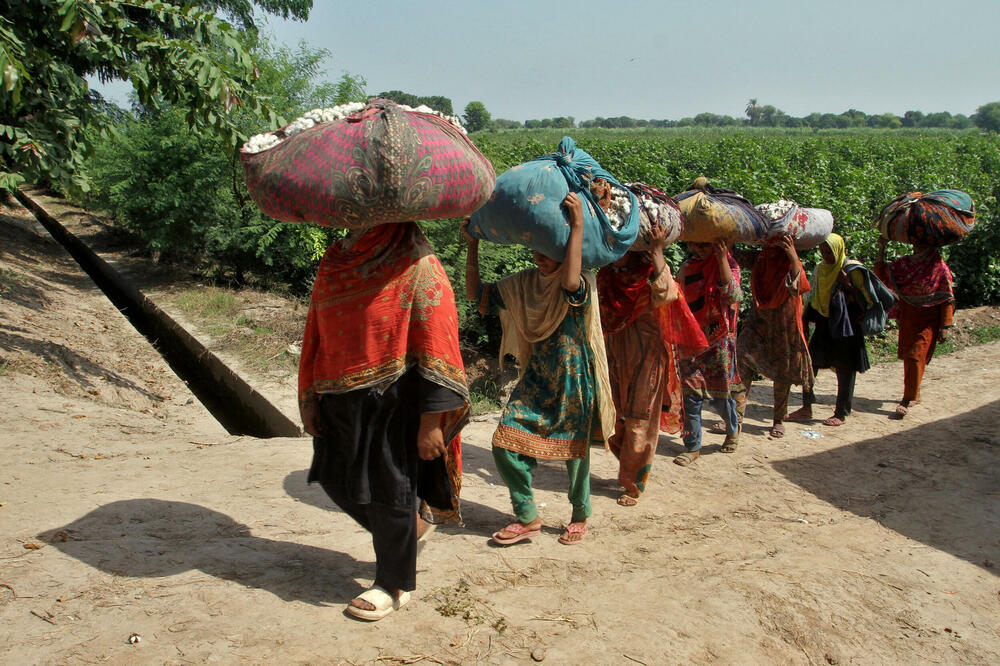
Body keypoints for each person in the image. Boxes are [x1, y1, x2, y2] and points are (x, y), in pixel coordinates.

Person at [299, 222, 469, 621]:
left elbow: (437, 341)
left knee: (390, 489)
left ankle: (392, 584)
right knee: (334, 478)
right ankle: (410, 529)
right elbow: (316, 328)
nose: (360, 214)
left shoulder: (417, 261)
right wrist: (309, 395)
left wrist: (431, 423)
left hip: (395, 398)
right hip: (338, 394)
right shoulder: (335, 260)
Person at [463, 192, 614, 546]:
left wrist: (577, 225)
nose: (540, 259)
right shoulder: (525, 283)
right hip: (537, 376)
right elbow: (476, 295)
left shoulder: (582, 282)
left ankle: (580, 514)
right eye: (536, 250)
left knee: (574, 453)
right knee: (503, 442)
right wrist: (473, 246)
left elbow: (569, 283)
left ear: (564, 250)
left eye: (549, 251)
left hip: (573, 378)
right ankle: (528, 515)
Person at [597, 225, 705, 504]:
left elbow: (668, 294)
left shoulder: (648, 273)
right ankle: (629, 468)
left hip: (647, 356)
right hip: (614, 355)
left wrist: (657, 251)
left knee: (640, 418)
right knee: (616, 417)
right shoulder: (606, 275)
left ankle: (634, 484)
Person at [733, 234, 814, 438]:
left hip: (784, 326)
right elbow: (735, 255)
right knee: (741, 359)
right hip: (758, 322)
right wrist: (727, 237)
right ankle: (735, 417)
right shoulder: (760, 259)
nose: (768, 251)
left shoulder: (788, 261)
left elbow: (800, 286)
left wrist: (792, 255)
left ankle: (778, 419)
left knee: (782, 371)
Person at [787, 233, 872, 426]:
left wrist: (848, 286)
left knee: (845, 370)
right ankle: (806, 407)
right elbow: (814, 294)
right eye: (823, 250)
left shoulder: (852, 270)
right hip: (825, 323)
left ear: (839, 250)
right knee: (810, 366)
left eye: (829, 251)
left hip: (846, 326)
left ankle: (841, 412)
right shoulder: (820, 269)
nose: (826, 254)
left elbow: (867, 300)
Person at [674, 239, 742, 465]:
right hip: (690, 339)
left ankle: (733, 429)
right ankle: (692, 447)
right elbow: (678, 300)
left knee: (721, 396)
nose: (700, 249)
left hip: (718, 340)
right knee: (690, 397)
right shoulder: (688, 267)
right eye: (697, 245)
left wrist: (722, 258)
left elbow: (732, 295)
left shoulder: (730, 266)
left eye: (706, 245)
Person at [874, 238, 955, 417]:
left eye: (922, 244)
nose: (917, 248)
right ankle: (915, 391)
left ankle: (908, 397)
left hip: (928, 321)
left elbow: (947, 298)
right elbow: (881, 273)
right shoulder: (905, 265)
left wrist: (945, 325)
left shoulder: (940, 269)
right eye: (916, 244)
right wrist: (882, 248)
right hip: (909, 319)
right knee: (910, 356)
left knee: (915, 355)